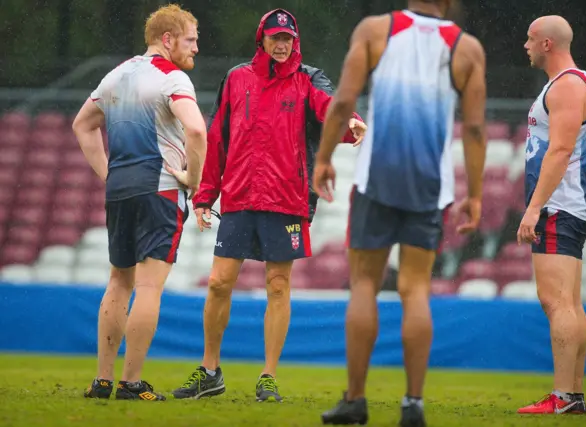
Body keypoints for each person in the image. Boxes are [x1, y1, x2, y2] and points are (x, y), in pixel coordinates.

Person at [171, 8, 367, 403]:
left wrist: (350, 121)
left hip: (286, 200)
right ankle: (209, 371)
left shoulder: (308, 79)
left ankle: (268, 377)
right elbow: (217, 137)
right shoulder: (236, 78)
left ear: (295, 42)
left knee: (278, 285)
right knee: (218, 283)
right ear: (261, 38)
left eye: (288, 39)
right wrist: (205, 194)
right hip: (240, 196)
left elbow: (329, 106)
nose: (281, 45)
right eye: (275, 38)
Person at [313, 0, 487, 425]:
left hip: (377, 179)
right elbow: (476, 128)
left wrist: (323, 159)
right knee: (414, 289)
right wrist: (476, 194)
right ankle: (413, 404)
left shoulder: (375, 30)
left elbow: (344, 101)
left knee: (364, 285)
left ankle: (355, 400)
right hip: (429, 185)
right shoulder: (467, 49)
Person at [73, 4, 207, 401]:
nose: (196, 49)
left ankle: (102, 381)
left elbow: (82, 125)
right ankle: (132, 383)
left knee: (118, 280)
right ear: (167, 39)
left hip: (120, 190)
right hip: (160, 189)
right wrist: (194, 182)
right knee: (149, 286)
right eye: (191, 40)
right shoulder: (172, 78)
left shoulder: (116, 75)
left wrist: (107, 173)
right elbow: (197, 131)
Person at [516, 15, 586, 415]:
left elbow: (561, 151)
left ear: (547, 44)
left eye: (531, 40)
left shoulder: (566, 85)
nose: (525, 46)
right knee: (570, 302)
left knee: (556, 301)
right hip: (569, 204)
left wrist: (533, 208)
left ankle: (564, 396)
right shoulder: (570, 82)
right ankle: (574, 395)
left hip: (559, 205)